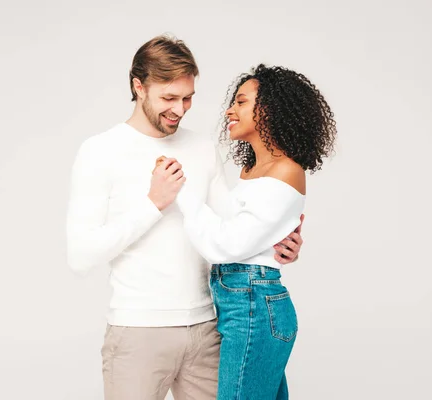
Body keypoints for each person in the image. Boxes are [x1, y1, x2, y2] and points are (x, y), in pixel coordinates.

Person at [65, 35, 304, 400]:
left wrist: (276, 241)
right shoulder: (100, 151)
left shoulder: (201, 147)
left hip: (209, 328)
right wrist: (153, 203)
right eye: (169, 98)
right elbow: (80, 256)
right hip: (139, 331)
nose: (180, 109)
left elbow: (231, 227)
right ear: (138, 87)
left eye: (188, 97)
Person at [170, 64, 337, 399]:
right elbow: (246, 233)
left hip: (253, 307)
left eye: (242, 102)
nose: (230, 110)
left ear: (270, 110)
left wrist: (181, 191)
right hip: (244, 303)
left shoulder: (286, 169)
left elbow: (227, 245)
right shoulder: (251, 170)